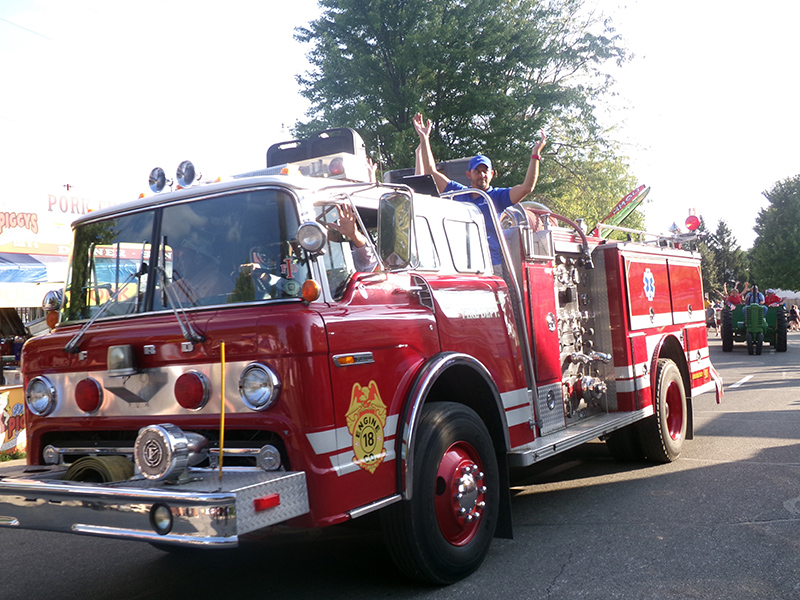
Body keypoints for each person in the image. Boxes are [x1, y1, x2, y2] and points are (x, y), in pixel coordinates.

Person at [413, 112, 547, 270]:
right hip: (461, 265)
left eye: (485, 171)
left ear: (491, 174)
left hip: (490, 265)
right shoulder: (458, 193)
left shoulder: (496, 196)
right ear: (469, 174)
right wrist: (424, 138)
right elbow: (431, 172)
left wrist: (535, 155)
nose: (482, 175)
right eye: (477, 171)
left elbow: (527, 187)